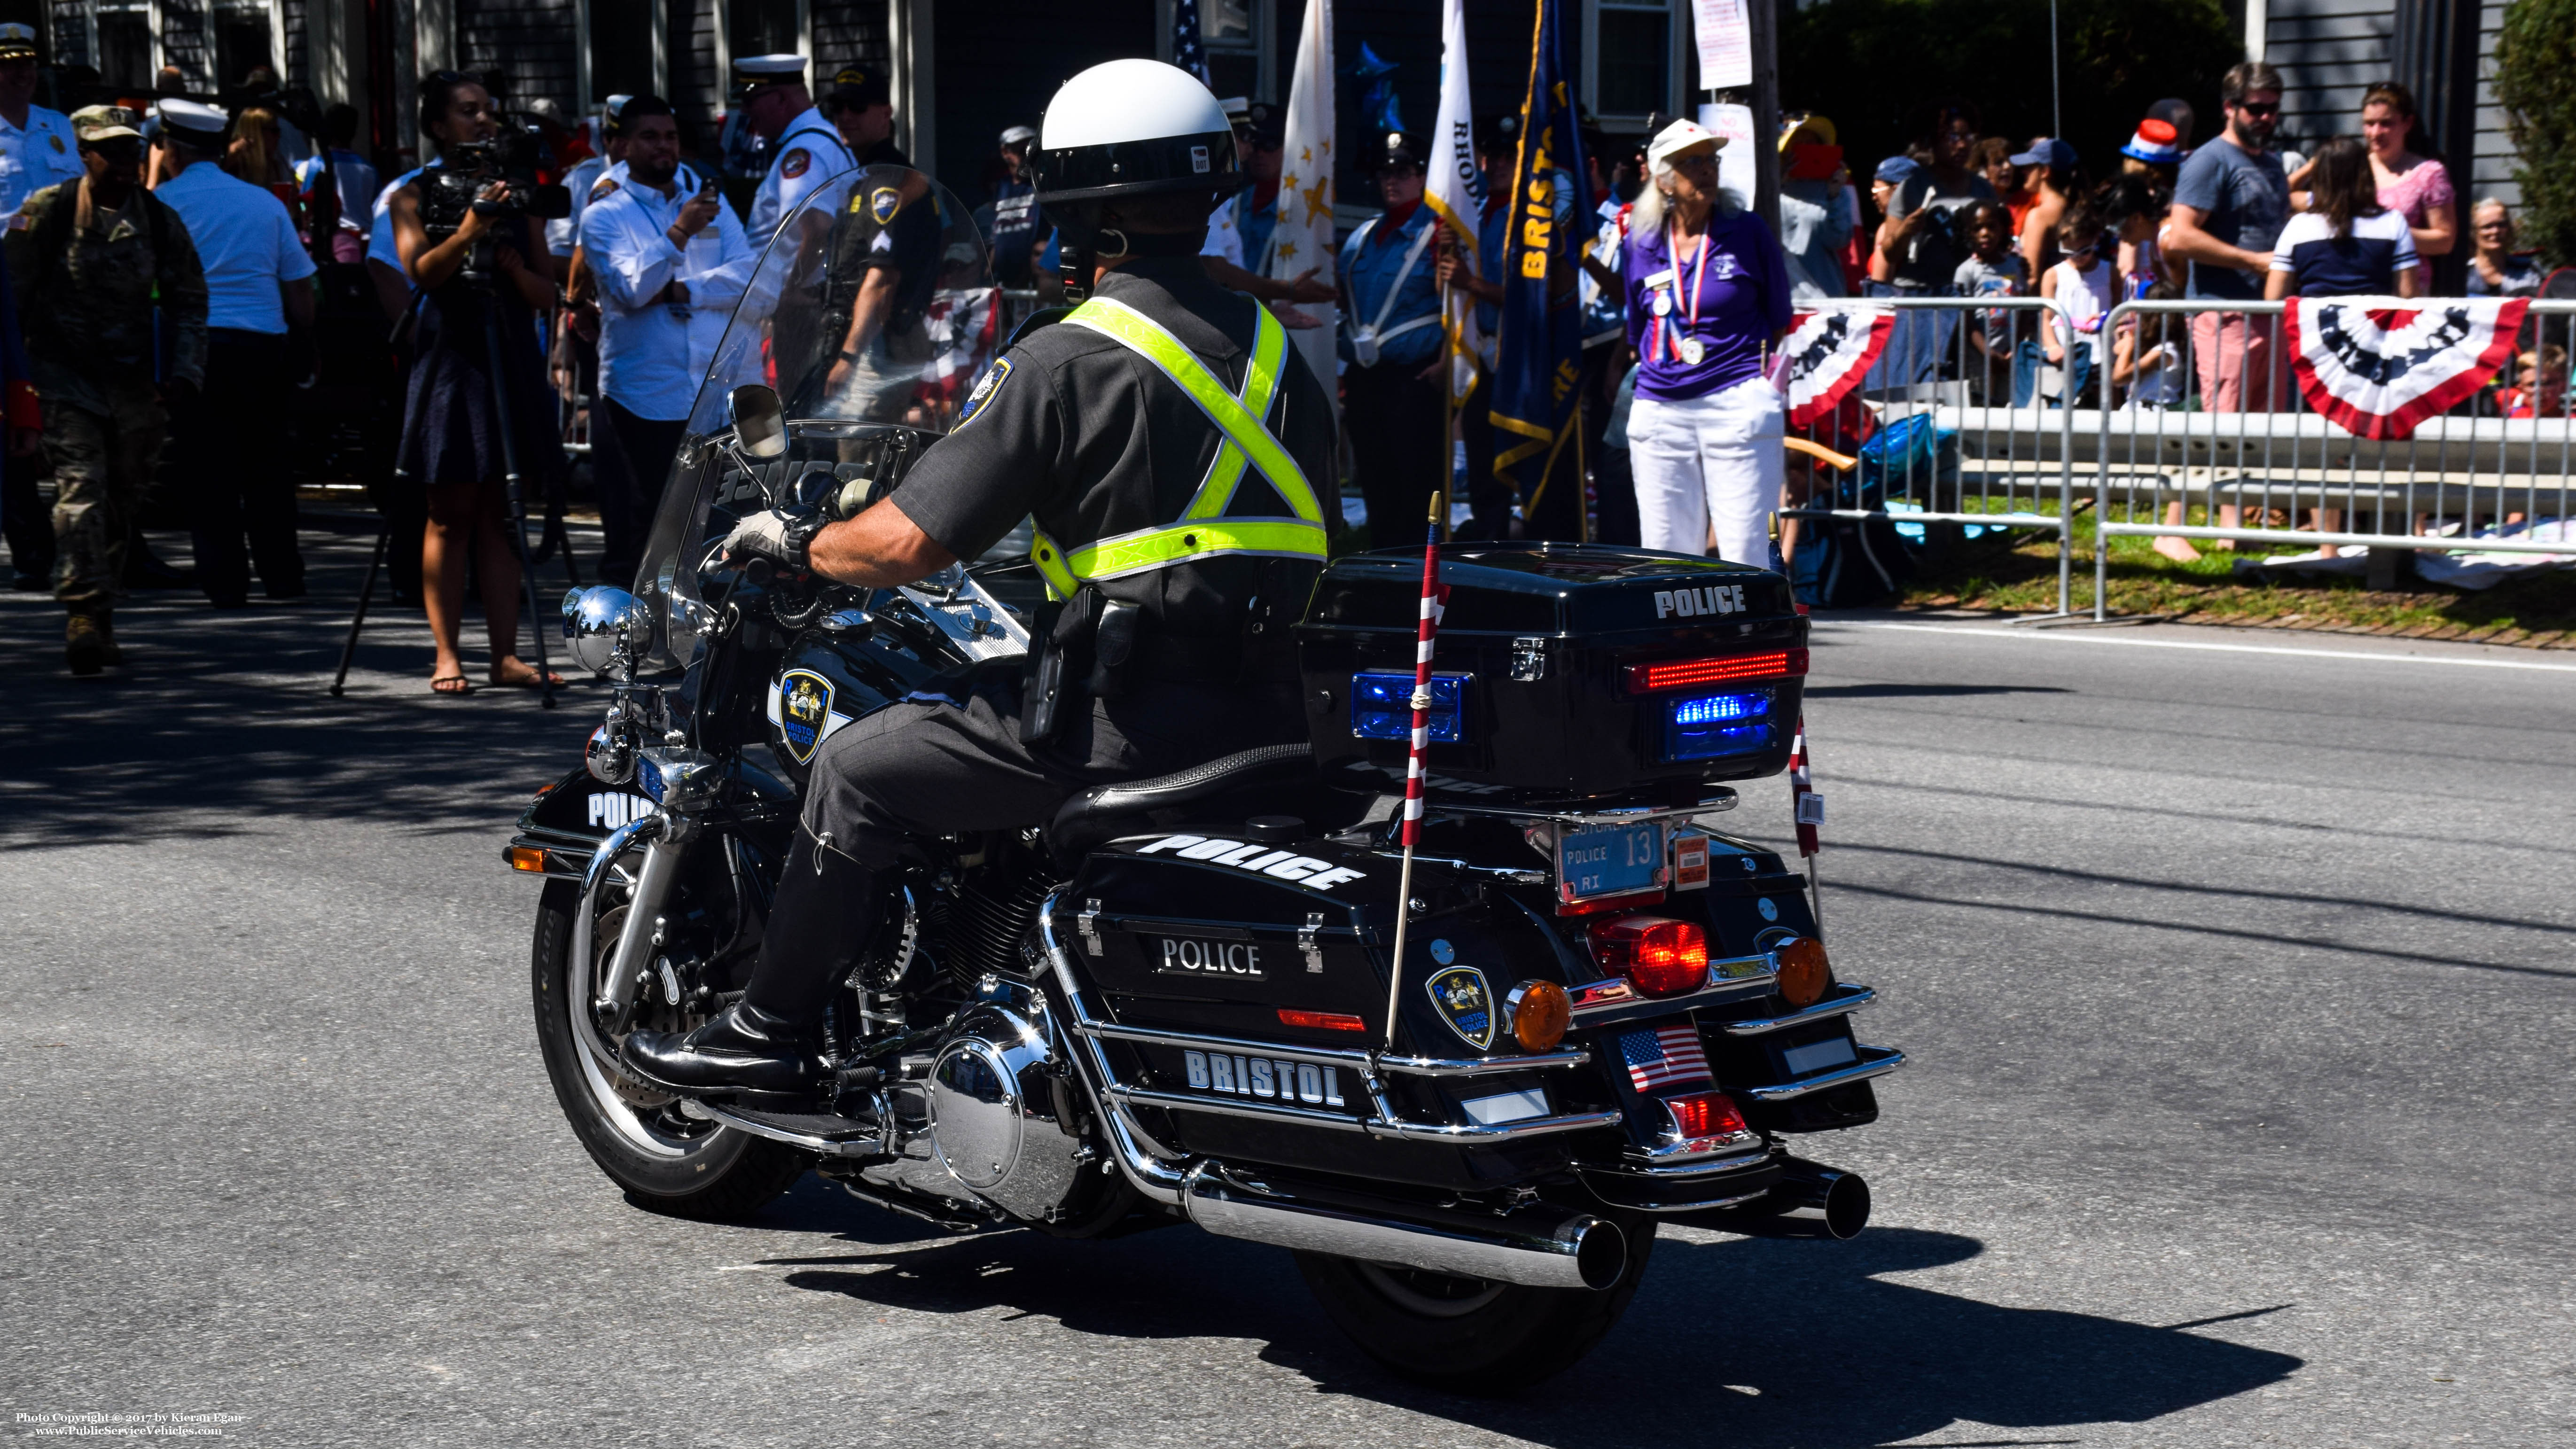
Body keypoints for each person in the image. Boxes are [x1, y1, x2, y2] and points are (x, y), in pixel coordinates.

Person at [622, 59, 1332, 1097]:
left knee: (857, 768)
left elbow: (907, 545)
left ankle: (764, 1034)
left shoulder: (1067, 358)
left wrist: (797, 541)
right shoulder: (1278, 360)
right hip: (1266, 716)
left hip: (1115, 723)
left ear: (1084, 216)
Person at [6, 104, 208, 675]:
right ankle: (84, 615)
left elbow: (189, 300)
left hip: (136, 387)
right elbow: (12, 301)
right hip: (64, 379)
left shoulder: (160, 220)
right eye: (112, 151)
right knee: (83, 493)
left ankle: (103, 609)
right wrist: (14, 385)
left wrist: (186, 372)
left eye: (132, 150)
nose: (126, 162)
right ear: (84, 154)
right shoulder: (49, 211)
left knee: (120, 502)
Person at [386, 70, 564, 695]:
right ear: (439, 125)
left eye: (489, 110)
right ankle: (446, 655)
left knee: (502, 512)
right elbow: (423, 272)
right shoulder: (413, 195)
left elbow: (549, 294)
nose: (484, 121)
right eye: (468, 112)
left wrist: (517, 273)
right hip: (452, 360)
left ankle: (506, 656)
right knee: (449, 512)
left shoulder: (518, 194)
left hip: (508, 355)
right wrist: (468, 232)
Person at [581, 95, 752, 587]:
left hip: (708, 388)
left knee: (705, 522)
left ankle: (690, 635)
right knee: (643, 521)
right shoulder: (605, 215)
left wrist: (681, 290)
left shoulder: (706, 202)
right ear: (623, 145)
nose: (663, 147)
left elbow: (748, 277)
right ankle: (629, 637)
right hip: (644, 391)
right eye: (650, 137)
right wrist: (678, 234)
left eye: (671, 136)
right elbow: (633, 289)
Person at [152, 98, 317, 608]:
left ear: (173, 150)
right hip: (261, 346)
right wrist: (304, 347)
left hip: (196, 350)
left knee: (208, 470)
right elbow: (300, 288)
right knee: (267, 467)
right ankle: (282, 577)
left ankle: (225, 582)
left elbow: (148, 285)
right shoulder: (264, 203)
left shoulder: (160, 205)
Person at [1621, 117, 1792, 565]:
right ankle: (1675, 638)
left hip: (1735, 400)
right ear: (1664, 179)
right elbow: (1638, 328)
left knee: (1747, 547)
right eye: (1692, 162)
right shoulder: (1640, 241)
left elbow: (1779, 320)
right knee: (1665, 552)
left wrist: (1756, 389)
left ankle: (1748, 636)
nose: (1707, 170)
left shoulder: (1748, 231)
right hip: (1660, 408)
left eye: (1711, 160)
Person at [0, 22, 83, 588]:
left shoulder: (59, 128)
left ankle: (100, 542)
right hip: (4, 286)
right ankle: (30, 547)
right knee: (12, 415)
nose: (22, 74)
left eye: (28, 64)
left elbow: (80, 197)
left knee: (79, 412)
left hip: (62, 284)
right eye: (9, 66)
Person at [2167, 61, 2292, 428]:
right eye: (2256, 109)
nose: (2266, 117)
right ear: (2230, 108)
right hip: (2225, 317)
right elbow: (2181, 236)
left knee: (2270, 437)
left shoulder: (2273, 165)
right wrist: (2252, 261)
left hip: (2271, 317)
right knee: (2226, 435)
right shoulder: (2209, 161)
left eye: (2273, 109)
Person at [1338, 131, 1446, 541]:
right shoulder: (1361, 237)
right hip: (1368, 378)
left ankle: (1419, 578)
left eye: (1402, 172)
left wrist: (1450, 361)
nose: (1392, 181)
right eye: (1385, 173)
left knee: (1415, 488)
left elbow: (1459, 307)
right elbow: (1352, 306)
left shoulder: (1440, 235)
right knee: (1375, 483)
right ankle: (1383, 570)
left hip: (1415, 380)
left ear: (1422, 177)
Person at [2266, 137, 2420, 302]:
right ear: (2365, 173)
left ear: (2319, 177)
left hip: (2314, 326)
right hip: (2374, 326)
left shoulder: (2298, 226)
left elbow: (2275, 297)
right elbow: (2409, 294)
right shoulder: (2393, 222)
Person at [738, 55, 855, 252]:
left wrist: (792, 284)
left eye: (749, 100)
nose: (744, 110)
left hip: (781, 282)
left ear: (781, 99)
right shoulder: (826, 137)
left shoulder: (803, 151)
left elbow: (815, 232)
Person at [2358, 82, 2454, 291]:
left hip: (2406, 293)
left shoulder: (2429, 173)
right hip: (2355, 287)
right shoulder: (2353, 169)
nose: (2376, 133)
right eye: (2369, 123)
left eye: (2386, 123)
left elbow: (2445, 240)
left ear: (2407, 123)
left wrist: (2390, 231)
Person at [2038, 207, 2113, 407]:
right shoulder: (2053, 275)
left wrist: (2105, 317)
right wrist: (2053, 346)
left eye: (2085, 251)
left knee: (2107, 402)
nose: (2078, 257)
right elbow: (2046, 318)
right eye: (2069, 252)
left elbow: (2119, 311)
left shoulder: (2110, 272)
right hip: (2066, 356)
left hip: (2101, 354)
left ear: (2096, 240)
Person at [1778, 112, 1853, 301]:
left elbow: (1840, 240)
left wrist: (1834, 196)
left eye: (1813, 143)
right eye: (1799, 143)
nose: (1807, 147)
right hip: (1784, 295)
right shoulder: (1769, 190)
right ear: (1786, 151)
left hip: (1825, 294)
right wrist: (1777, 185)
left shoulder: (1835, 191)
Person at [294, 103, 379, 264]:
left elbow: (305, 204)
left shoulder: (317, 165)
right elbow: (376, 208)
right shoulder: (369, 169)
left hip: (331, 244)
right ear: (354, 132)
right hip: (365, 244)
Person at [224, 105, 309, 242]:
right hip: (243, 238)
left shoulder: (277, 164)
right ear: (257, 133)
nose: (279, 136)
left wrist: (300, 206)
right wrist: (234, 151)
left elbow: (300, 204)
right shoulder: (236, 164)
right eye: (275, 131)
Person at [2011, 138, 2082, 284]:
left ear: (2045, 171)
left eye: (2030, 167)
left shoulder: (2039, 216)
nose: (2024, 171)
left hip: (2045, 304)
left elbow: (2032, 279)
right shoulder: (2077, 208)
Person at [981, 124, 1043, 288]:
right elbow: (999, 231)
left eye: (1030, 151)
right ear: (1006, 153)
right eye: (1021, 152)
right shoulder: (1003, 186)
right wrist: (988, 271)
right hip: (1003, 279)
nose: (1026, 156)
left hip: (1033, 278)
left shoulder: (1041, 183)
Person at [820, 66, 906, 168]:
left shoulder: (889, 174)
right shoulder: (868, 169)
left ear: (886, 114)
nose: (845, 117)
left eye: (857, 105)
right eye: (837, 105)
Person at [2466, 199, 2542, 297]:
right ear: (2474, 233)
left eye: (2501, 225)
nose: (2496, 231)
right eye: (2487, 227)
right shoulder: (2462, 275)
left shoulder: (2530, 270)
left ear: (2509, 229)